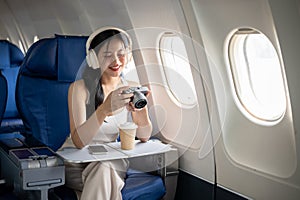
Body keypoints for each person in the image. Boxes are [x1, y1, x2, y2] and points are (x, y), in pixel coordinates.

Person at [63, 26, 153, 200]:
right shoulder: (79, 89)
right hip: (77, 163)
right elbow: (79, 141)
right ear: (94, 59)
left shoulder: (131, 87)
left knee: (106, 167)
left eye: (121, 53)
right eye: (107, 55)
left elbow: (144, 136)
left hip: (109, 158)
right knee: (106, 172)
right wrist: (104, 110)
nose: (116, 61)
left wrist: (140, 111)